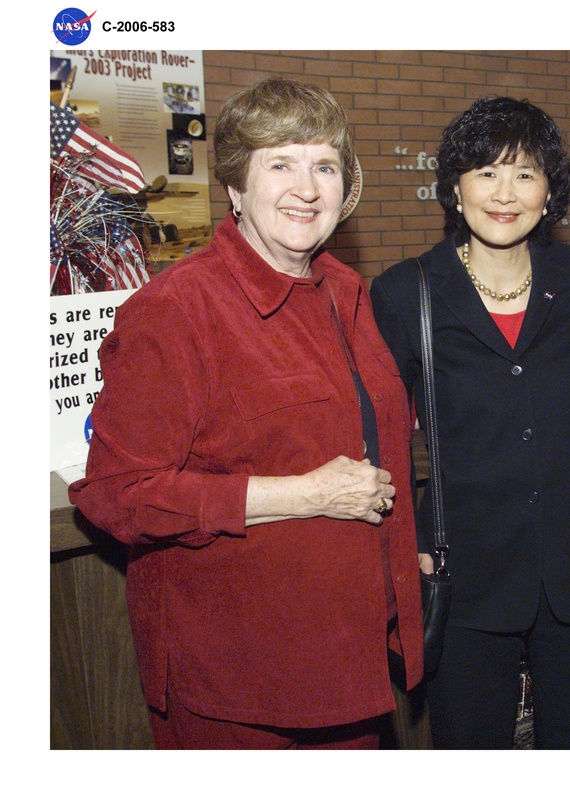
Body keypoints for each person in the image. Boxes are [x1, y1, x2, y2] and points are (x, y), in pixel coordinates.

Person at [69, 77, 424, 749]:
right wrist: (304, 495)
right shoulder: (176, 310)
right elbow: (118, 496)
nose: (307, 186)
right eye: (280, 163)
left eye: (324, 165)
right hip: (243, 685)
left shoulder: (345, 292)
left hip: (350, 662)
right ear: (235, 186)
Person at [370, 96, 570, 748]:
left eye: (525, 174)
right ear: (454, 186)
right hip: (464, 568)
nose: (505, 193)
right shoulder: (406, 291)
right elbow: (372, 430)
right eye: (486, 172)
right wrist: (395, 543)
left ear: (550, 192)